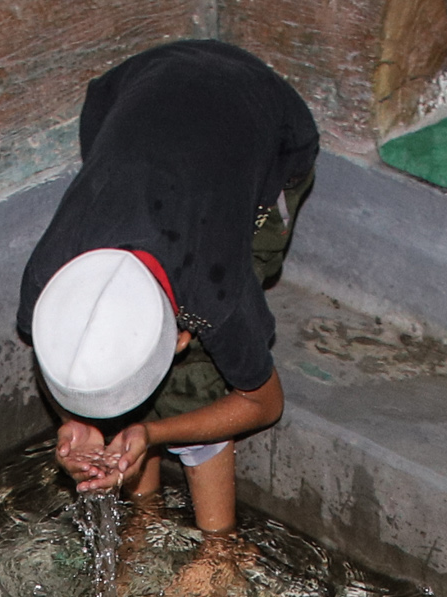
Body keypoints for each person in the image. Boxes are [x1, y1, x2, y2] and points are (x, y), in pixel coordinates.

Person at [16, 40, 319, 539]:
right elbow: (77, 358)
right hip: (133, 85)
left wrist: (150, 431)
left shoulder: (216, 295)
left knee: (195, 381)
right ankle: (145, 508)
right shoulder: (45, 280)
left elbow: (264, 403)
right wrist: (76, 422)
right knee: (123, 369)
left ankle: (221, 550)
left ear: (180, 336)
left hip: (266, 113)